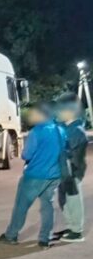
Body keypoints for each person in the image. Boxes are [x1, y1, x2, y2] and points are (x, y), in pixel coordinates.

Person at [0, 102, 66, 249]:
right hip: (54, 176)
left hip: (35, 175)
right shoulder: (61, 131)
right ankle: (44, 239)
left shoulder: (37, 131)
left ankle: (11, 235)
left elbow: (26, 154)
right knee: (47, 207)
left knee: (21, 206)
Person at [56, 93, 87, 242]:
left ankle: (77, 231)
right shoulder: (64, 127)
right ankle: (71, 227)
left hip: (71, 171)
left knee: (73, 200)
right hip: (62, 171)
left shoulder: (77, 131)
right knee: (63, 200)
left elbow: (67, 151)